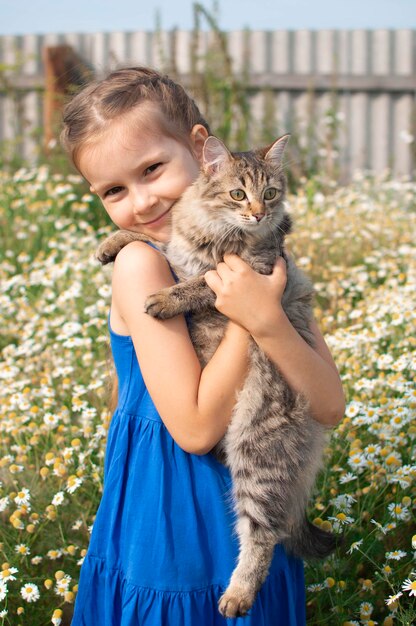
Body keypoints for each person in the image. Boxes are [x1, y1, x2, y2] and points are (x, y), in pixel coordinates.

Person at [61, 67, 345, 625]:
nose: (140, 202)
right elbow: (194, 432)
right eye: (113, 191)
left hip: (250, 517)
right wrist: (249, 315)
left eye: (152, 170)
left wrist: (269, 316)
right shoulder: (140, 262)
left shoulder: (257, 259)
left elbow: (329, 405)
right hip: (173, 524)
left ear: (201, 151)